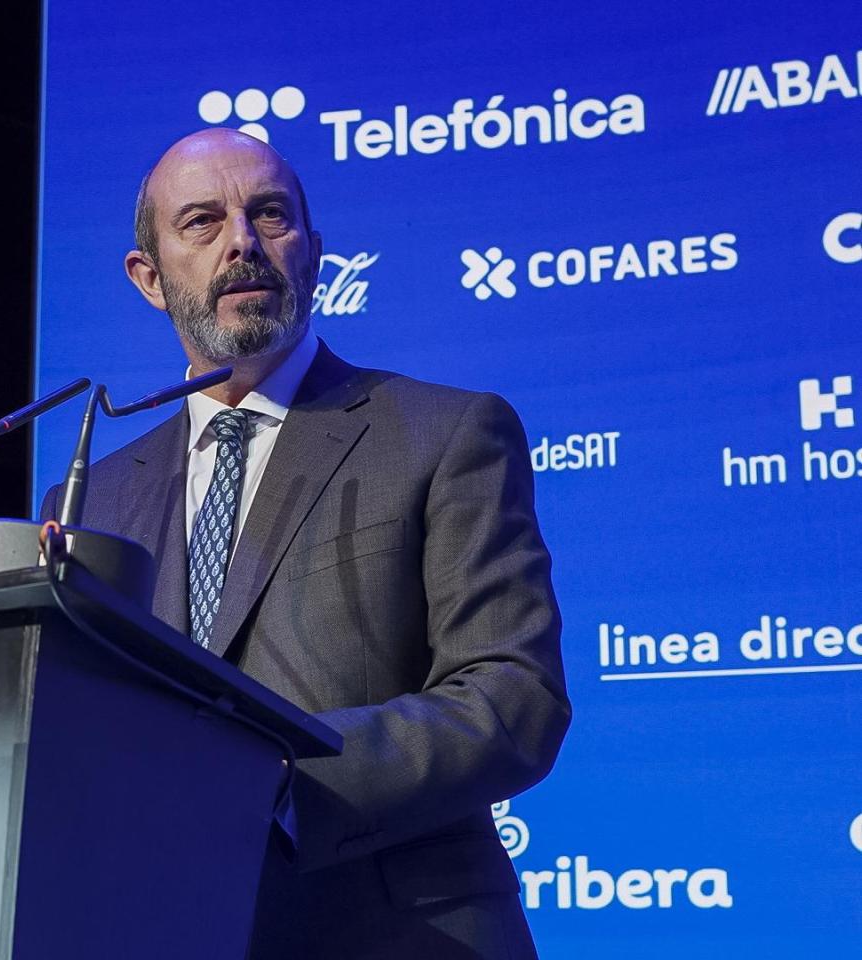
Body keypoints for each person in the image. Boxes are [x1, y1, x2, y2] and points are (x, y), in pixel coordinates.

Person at [40, 129, 570, 957]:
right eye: (203, 223)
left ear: (314, 254)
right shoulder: (95, 499)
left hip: (399, 933)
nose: (242, 243)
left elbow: (512, 695)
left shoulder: (442, 432)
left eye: (270, 214)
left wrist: (280, 783)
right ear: (149, 278)